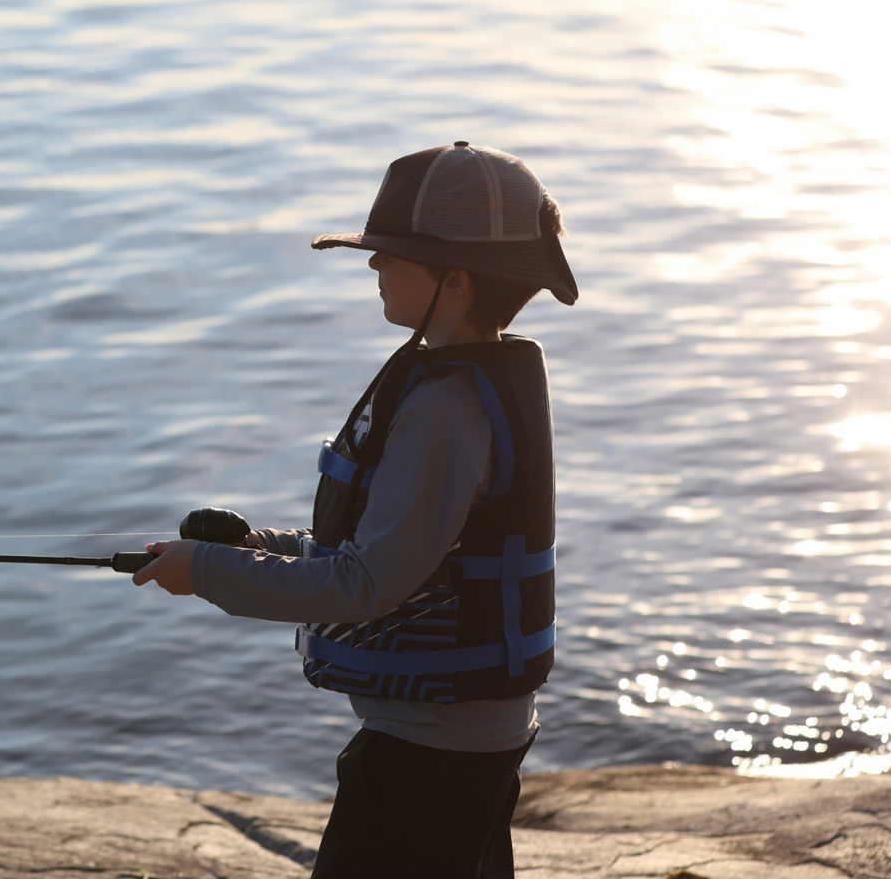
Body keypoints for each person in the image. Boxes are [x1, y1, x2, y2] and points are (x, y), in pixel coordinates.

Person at [133, 142, 577, 879]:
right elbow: (403, 555)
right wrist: (258, 544)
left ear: (455, 282)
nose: (374, 265)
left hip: (430, 753)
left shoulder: (444, 411)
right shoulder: (461, 387)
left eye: (392, 255)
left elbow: (366, 588)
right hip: (457, 739)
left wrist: (208, 571)